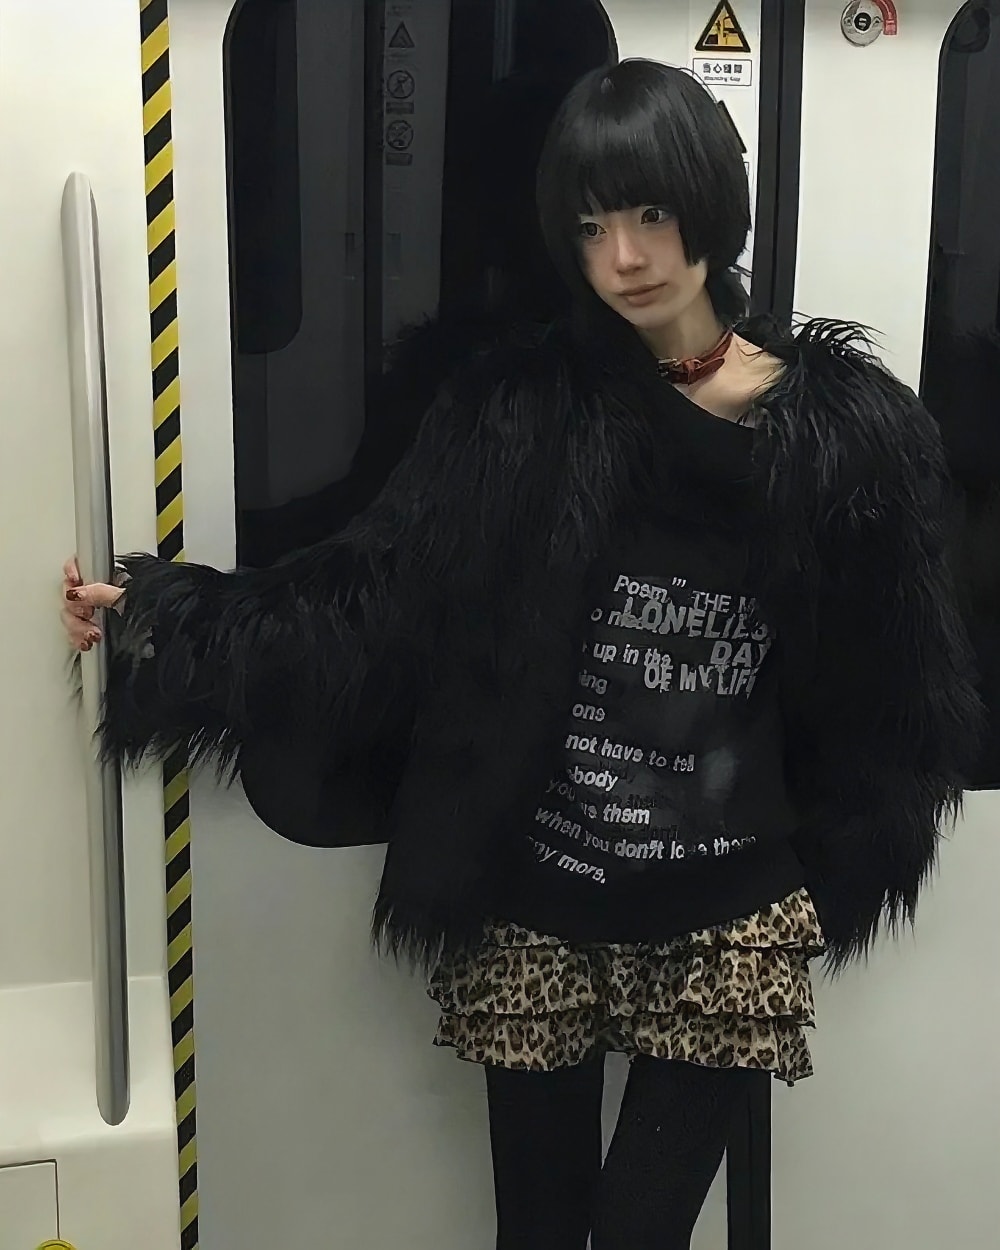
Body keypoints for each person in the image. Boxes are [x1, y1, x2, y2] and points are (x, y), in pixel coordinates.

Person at [62, 60, 980, 1250]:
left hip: (728, 910)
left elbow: (894, 691)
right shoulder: (524, 410)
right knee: (535, 1233)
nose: (625, 258)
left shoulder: (846, 438)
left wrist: (832, 869)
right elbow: (373, 586)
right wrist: (161, 613)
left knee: (640, 1233)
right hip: (541, 894)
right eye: (591, 228)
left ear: (712, 206)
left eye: (650, 213)